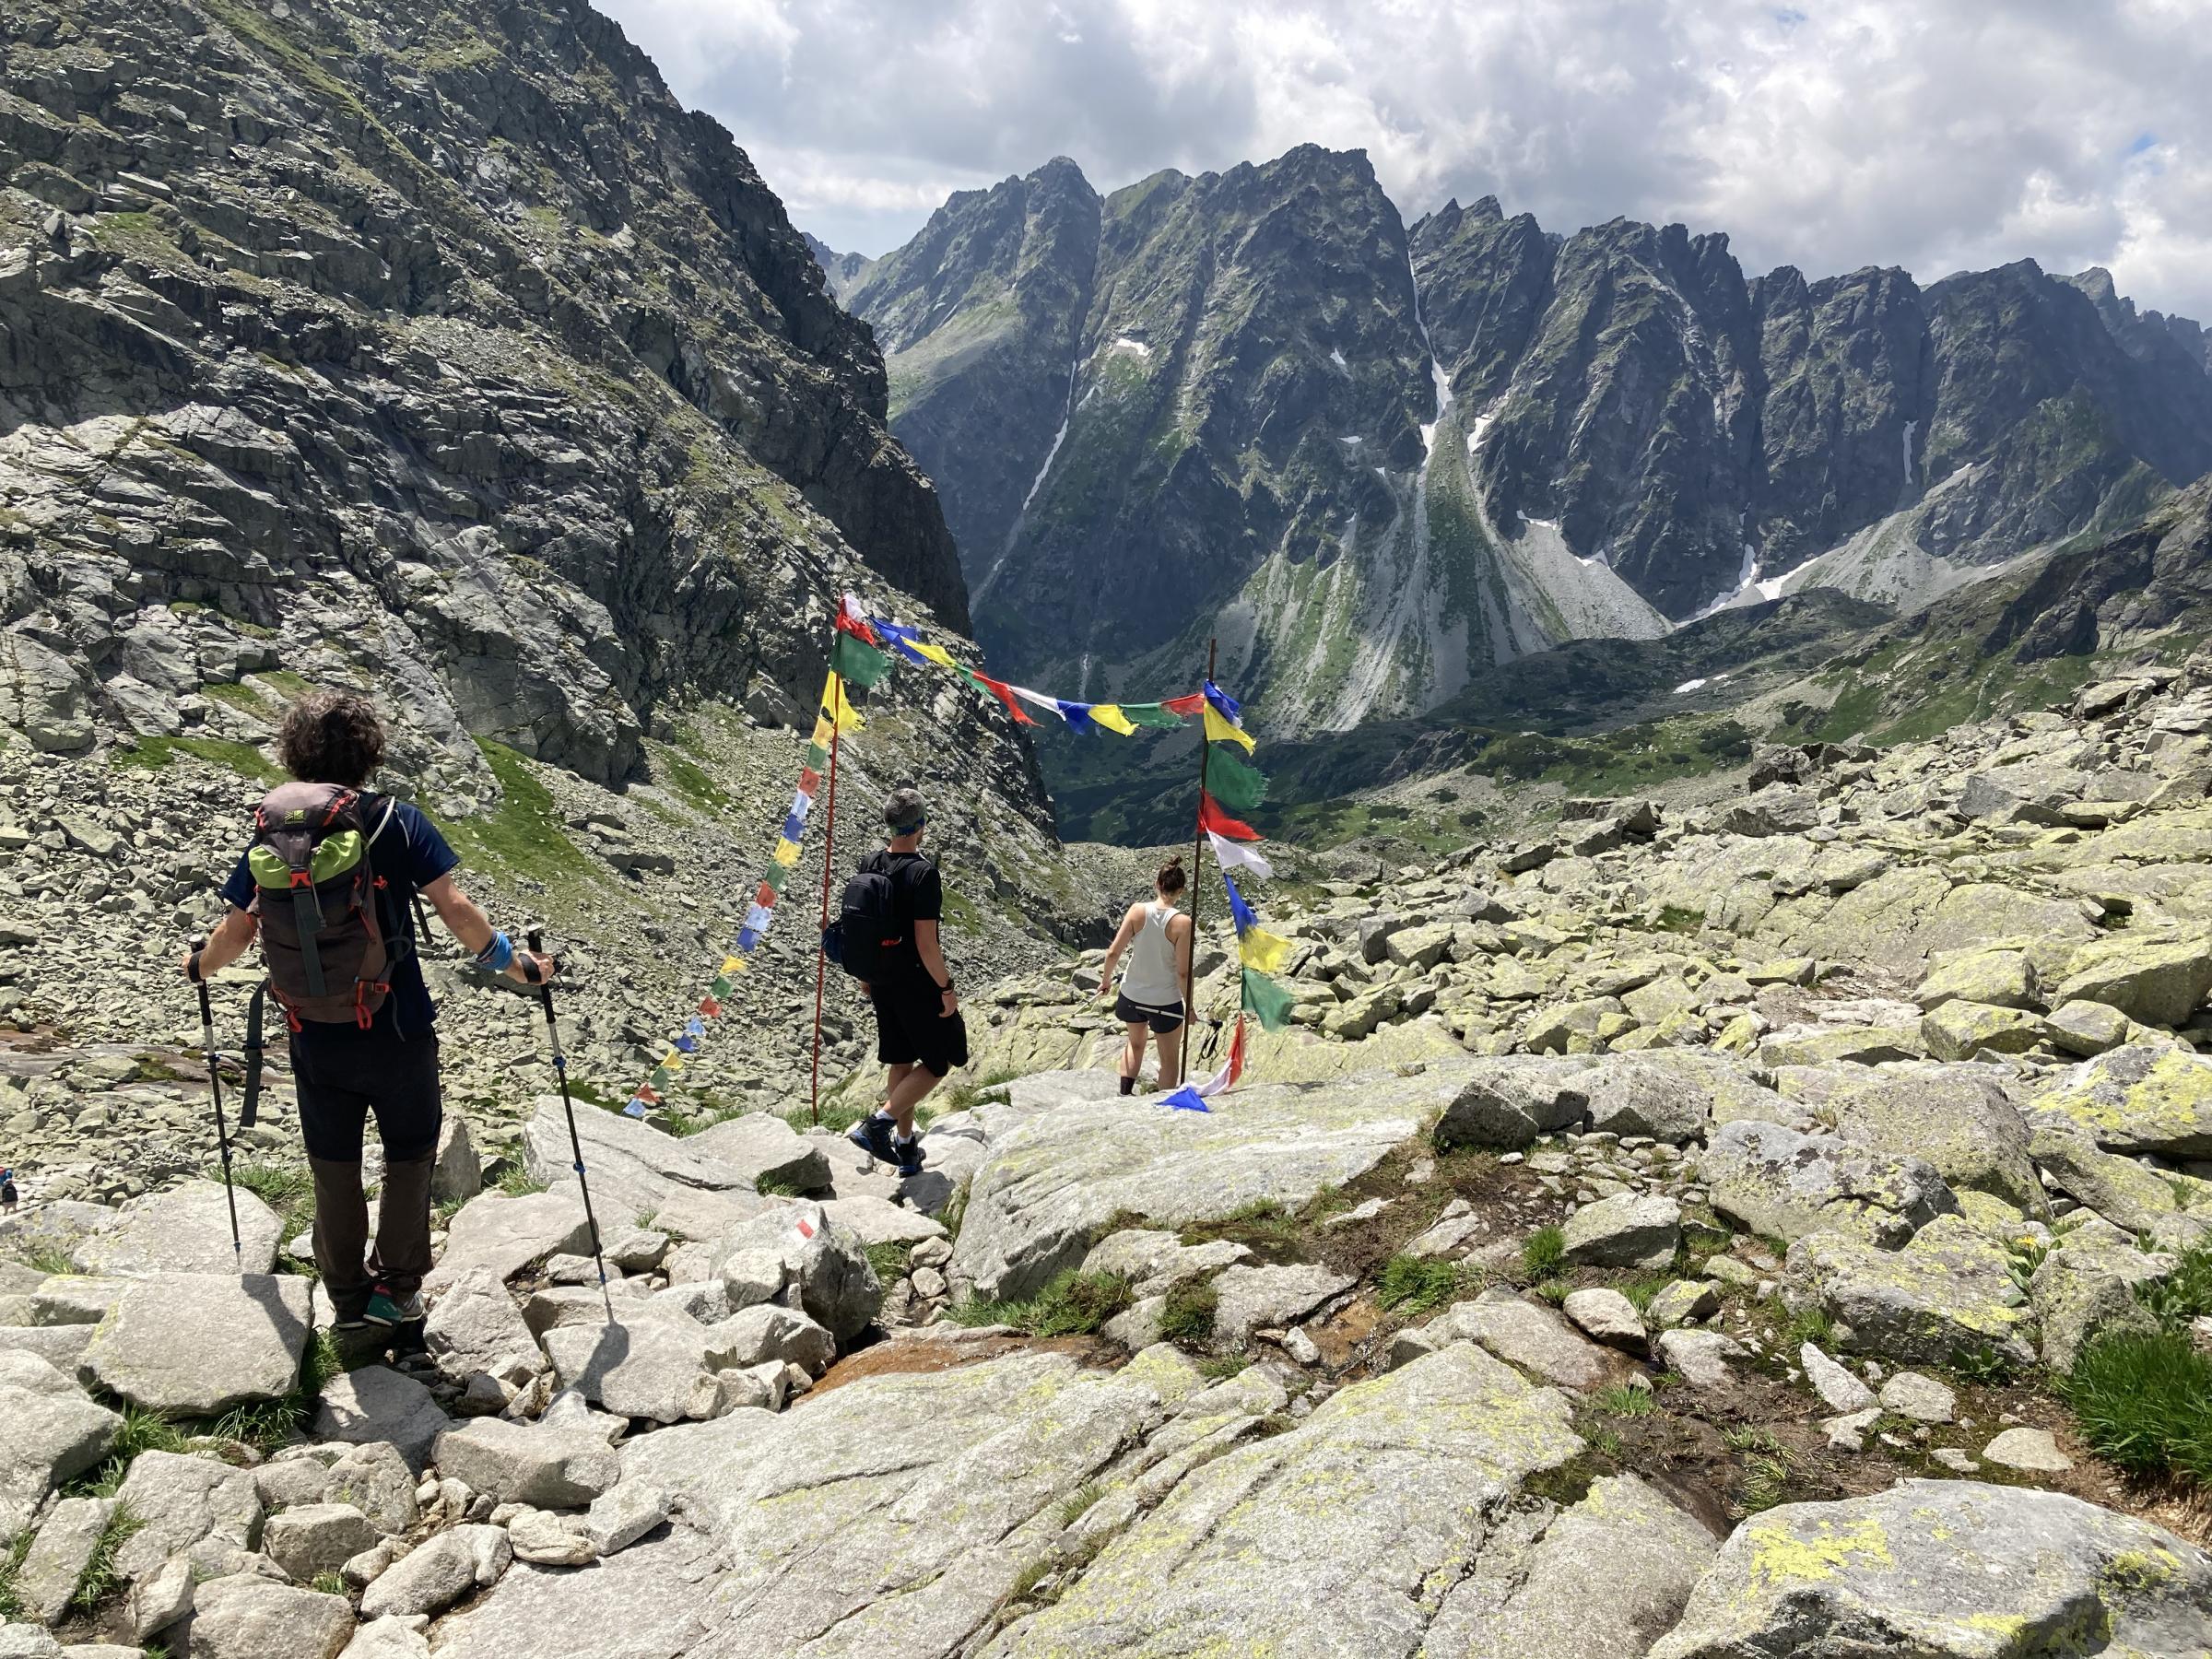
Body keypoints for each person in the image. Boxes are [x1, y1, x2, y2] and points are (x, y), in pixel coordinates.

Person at [185, 692, 552, 1331]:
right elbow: (455, 909)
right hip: (398, 1025)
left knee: (334, 1162)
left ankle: (347, 1299)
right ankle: (398, 1290)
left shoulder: (273, 833)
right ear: (368, 753)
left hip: (313, 1032)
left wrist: (198, 967)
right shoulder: (396, 821)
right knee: (409, 1154)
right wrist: (517, 966)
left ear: (295, 754)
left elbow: (238, 932)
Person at [845, 786, 964, 1179]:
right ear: (922, 826)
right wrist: (946, 989)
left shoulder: (871, 861)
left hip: (880, 980)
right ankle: (877, 1124)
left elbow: (861, 928)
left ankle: (906, 1148)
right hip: (916, 982)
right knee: (938, 1061)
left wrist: (865, 974)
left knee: (900, 1059)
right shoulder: (923, 873)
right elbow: (926, 944)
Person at [1096, 857, 1194, 1094]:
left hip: (1132, 995)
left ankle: (1124, 1094)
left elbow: (1112, 953)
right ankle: (1162, 1107)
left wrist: (1106, 981)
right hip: (1165, 1000)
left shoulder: (1137, 911)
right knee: (1169, 1058)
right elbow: (1182, 972)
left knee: (1135, 1043)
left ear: (1157, 884)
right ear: (1180, 891)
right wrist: (1189, 1007)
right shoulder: (1183, 923)